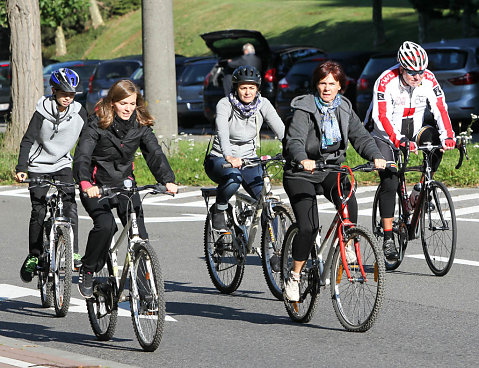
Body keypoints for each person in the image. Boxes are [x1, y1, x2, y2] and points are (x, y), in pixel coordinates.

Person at [282, 60, 386, 302]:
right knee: (308, 228)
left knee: (348, 201)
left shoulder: (344, 108)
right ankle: (295, 277)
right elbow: (294, 141)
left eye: (332, 83)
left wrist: (376, 156)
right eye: (322, 83)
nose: (327, 88)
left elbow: (361, 136)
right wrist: (301, 158)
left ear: (340, 86)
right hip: (301, 172)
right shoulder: (304, 109)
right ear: (316, 85)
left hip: (330, 168)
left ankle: (348, 241)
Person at [73, 79, 178, 298]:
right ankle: (89, 268)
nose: (128, 108)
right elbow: (82, 156)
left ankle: (145, 290)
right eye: (123, 103)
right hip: (96, 186)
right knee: (106, 225)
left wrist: (167, 179)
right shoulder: (97, 123)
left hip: (124, 185)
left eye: (132, 103)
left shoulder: (140, 124)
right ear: (112, 103)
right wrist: (85, 183)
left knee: (139, 235)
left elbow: (154, 154)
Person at [368, 41, 456, 261]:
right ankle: (388, 237)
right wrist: (398, 140)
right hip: (385, 135)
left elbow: (440, 107)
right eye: (412, 73)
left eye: (421, 72)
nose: (418, 77)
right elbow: (380, 117)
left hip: (414, 129)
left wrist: (449, 135)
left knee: (435, 142)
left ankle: (420, 188)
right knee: (390, 180)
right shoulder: (385, 81)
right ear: (401, 68)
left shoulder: (428, 78)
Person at [16, 68, 86, 282]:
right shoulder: (42, 112)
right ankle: (34, 255)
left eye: (72, 94)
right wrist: (22, 168)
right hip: (38, 165)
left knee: (69, 205)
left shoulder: (79, 112)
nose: (68, 98)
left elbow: (87, 140)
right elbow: (28, 140)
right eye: (64, 93)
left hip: (63, 164)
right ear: (54, 91)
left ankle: (72, 251)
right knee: (38, 211)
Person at [204, 65, 284, 231]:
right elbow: (222, 132)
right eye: (243, 88)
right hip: (220, 159)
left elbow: (282, 130)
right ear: (236, 88)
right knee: (234, 180)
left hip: (249, 160)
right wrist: (229, 156)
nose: (248, 92)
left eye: (251, 88)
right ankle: (219, 208)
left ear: (257, 89)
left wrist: (295, 152)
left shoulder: (264, 105)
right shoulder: (225, 104)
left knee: (267, 202)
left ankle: (273, 251)